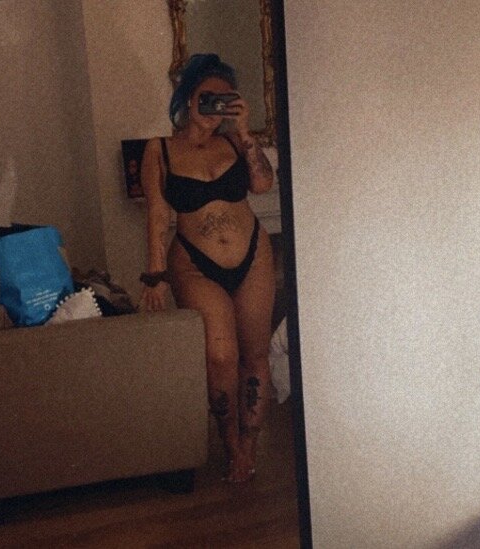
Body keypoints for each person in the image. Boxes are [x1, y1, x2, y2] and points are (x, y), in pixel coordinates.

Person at [139, 54, 275, 482]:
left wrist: (245, 131)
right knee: (220, 357)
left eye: (225, 99)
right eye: (207, 98)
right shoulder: (159, 149)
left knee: (255, 355)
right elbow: (158, 216)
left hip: (253, 255)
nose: (215, 107)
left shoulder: (234, 143)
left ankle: (249, 444)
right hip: (194, 265)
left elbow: (262, 184)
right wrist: (155, 276)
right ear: (187, 98)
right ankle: (229, 442)